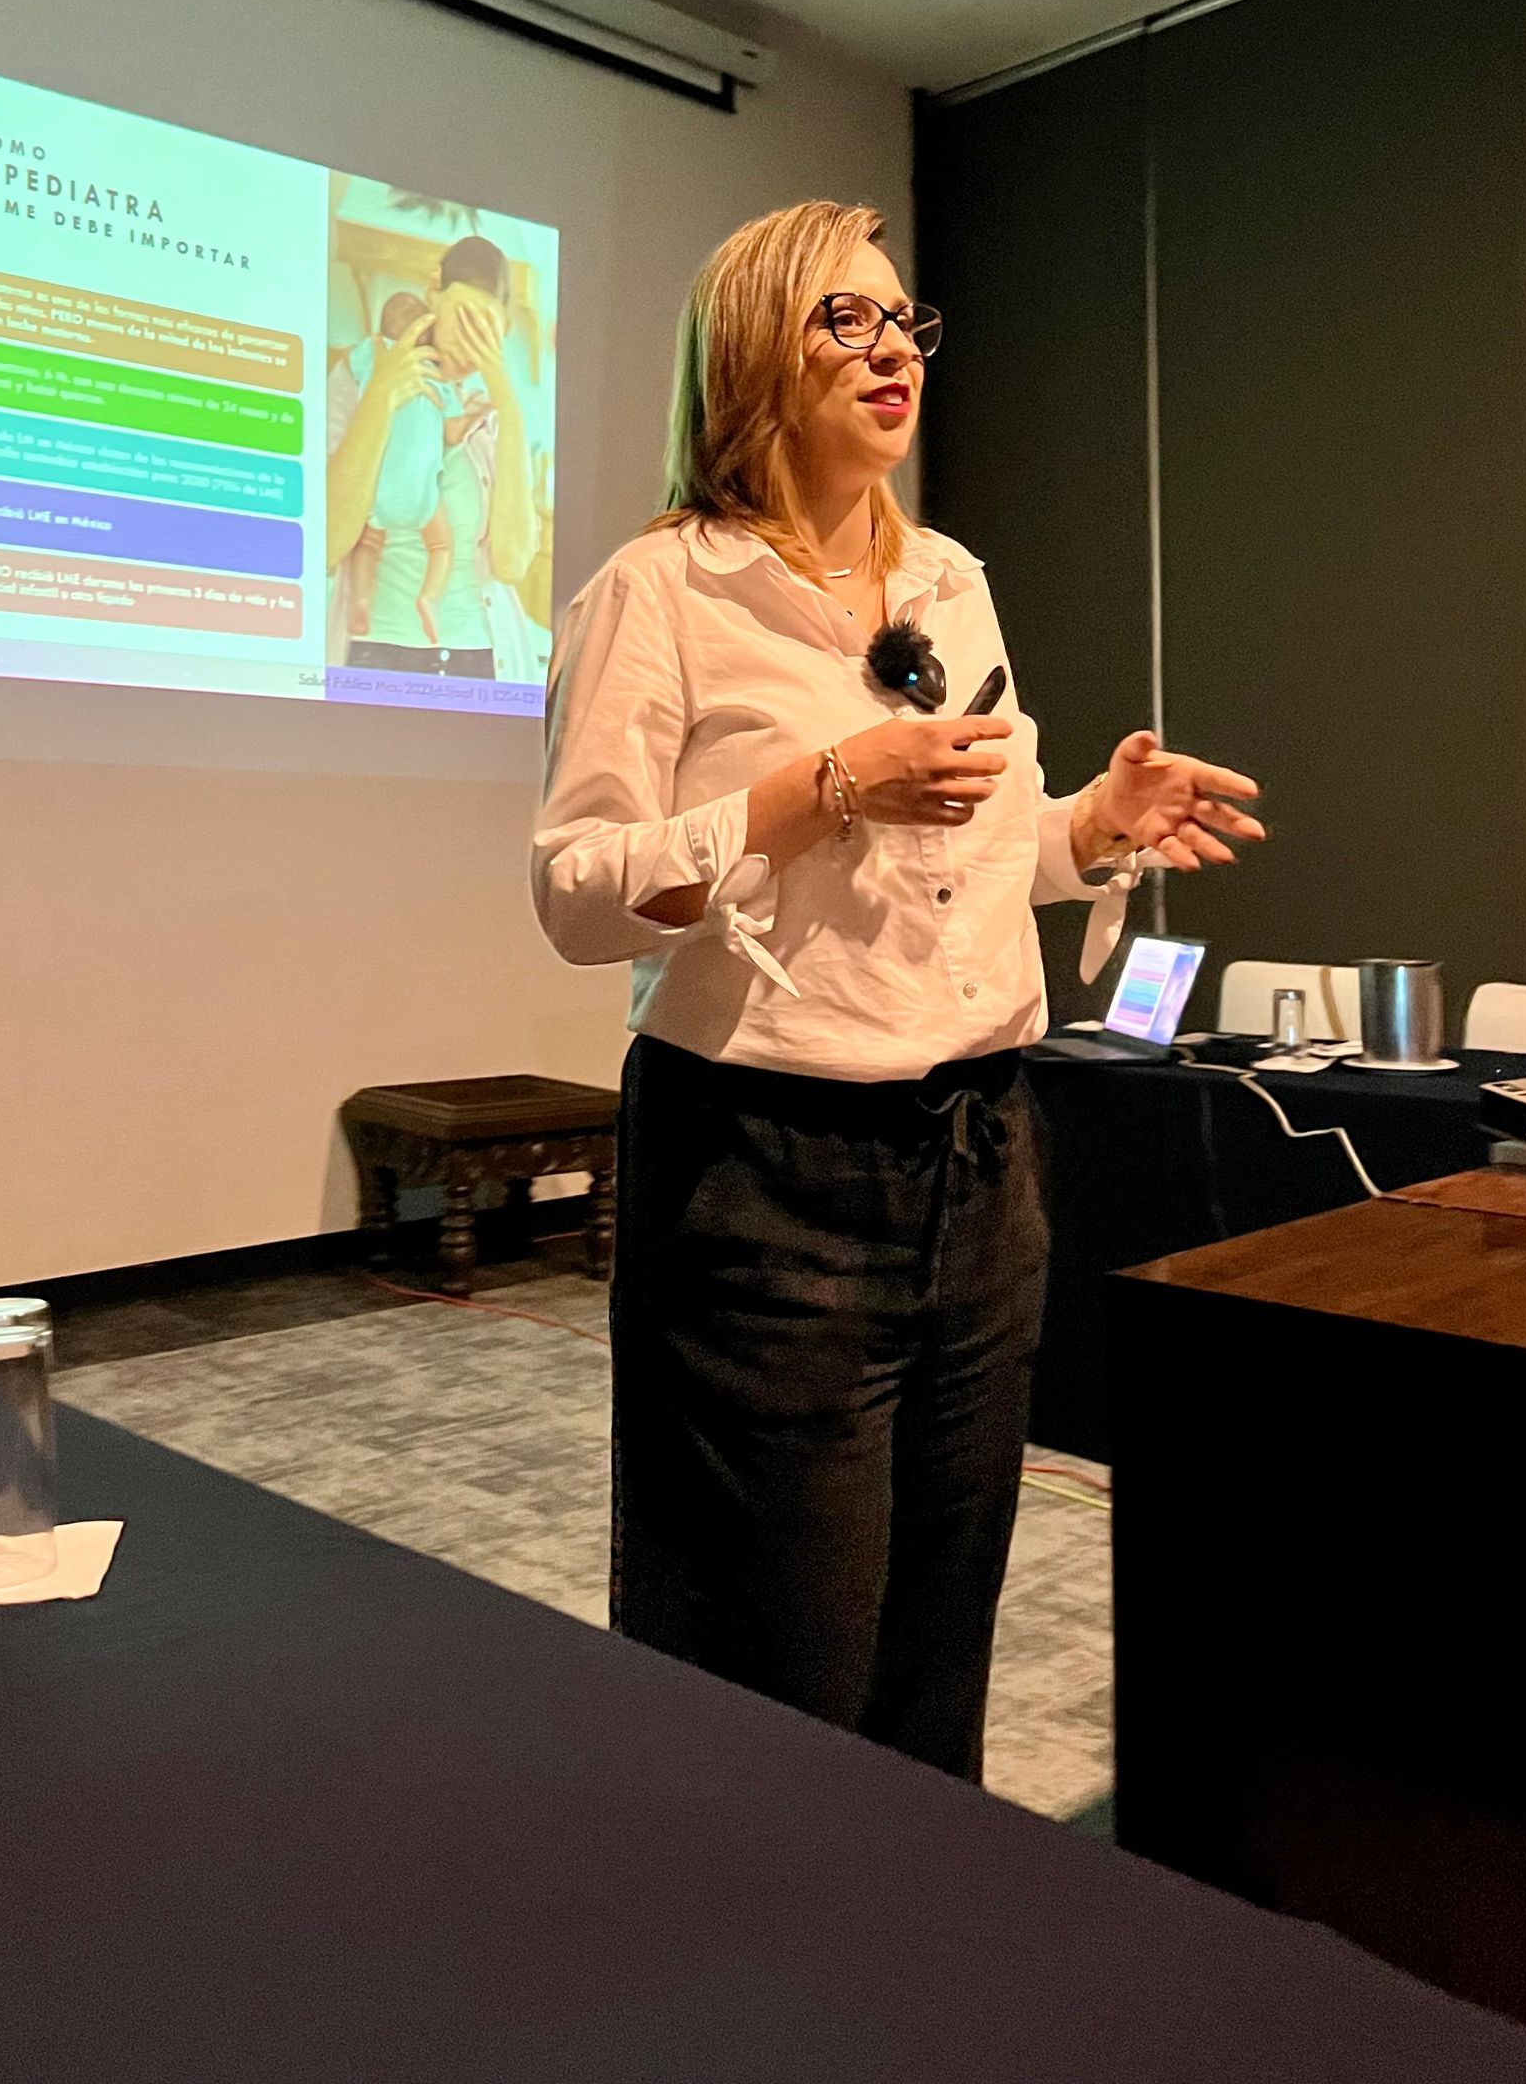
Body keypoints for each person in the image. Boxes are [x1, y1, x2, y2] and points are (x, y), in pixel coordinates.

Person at [531, 200, 1263, 1781]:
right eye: (843, 323)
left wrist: (1092, 829)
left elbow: (976, 857)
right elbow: (579, 896)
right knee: (775, 1669)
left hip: (984, 1165)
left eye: (904, 324)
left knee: (940, 1647)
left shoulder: (949, 578)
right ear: (746, 362)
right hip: (763, 1183)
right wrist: (823, 787)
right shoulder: (659, 594)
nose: (892, 353)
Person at [330, 236, 536, 680]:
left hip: (481, 660)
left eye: (487, 336)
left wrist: (510, 407)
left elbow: (512, 563)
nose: (469, 351)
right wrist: (381, 395)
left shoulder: (487, 413)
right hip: (375, 654)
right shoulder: (360, 373)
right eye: (464, 322)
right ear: (434, 290)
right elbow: (327, 542)